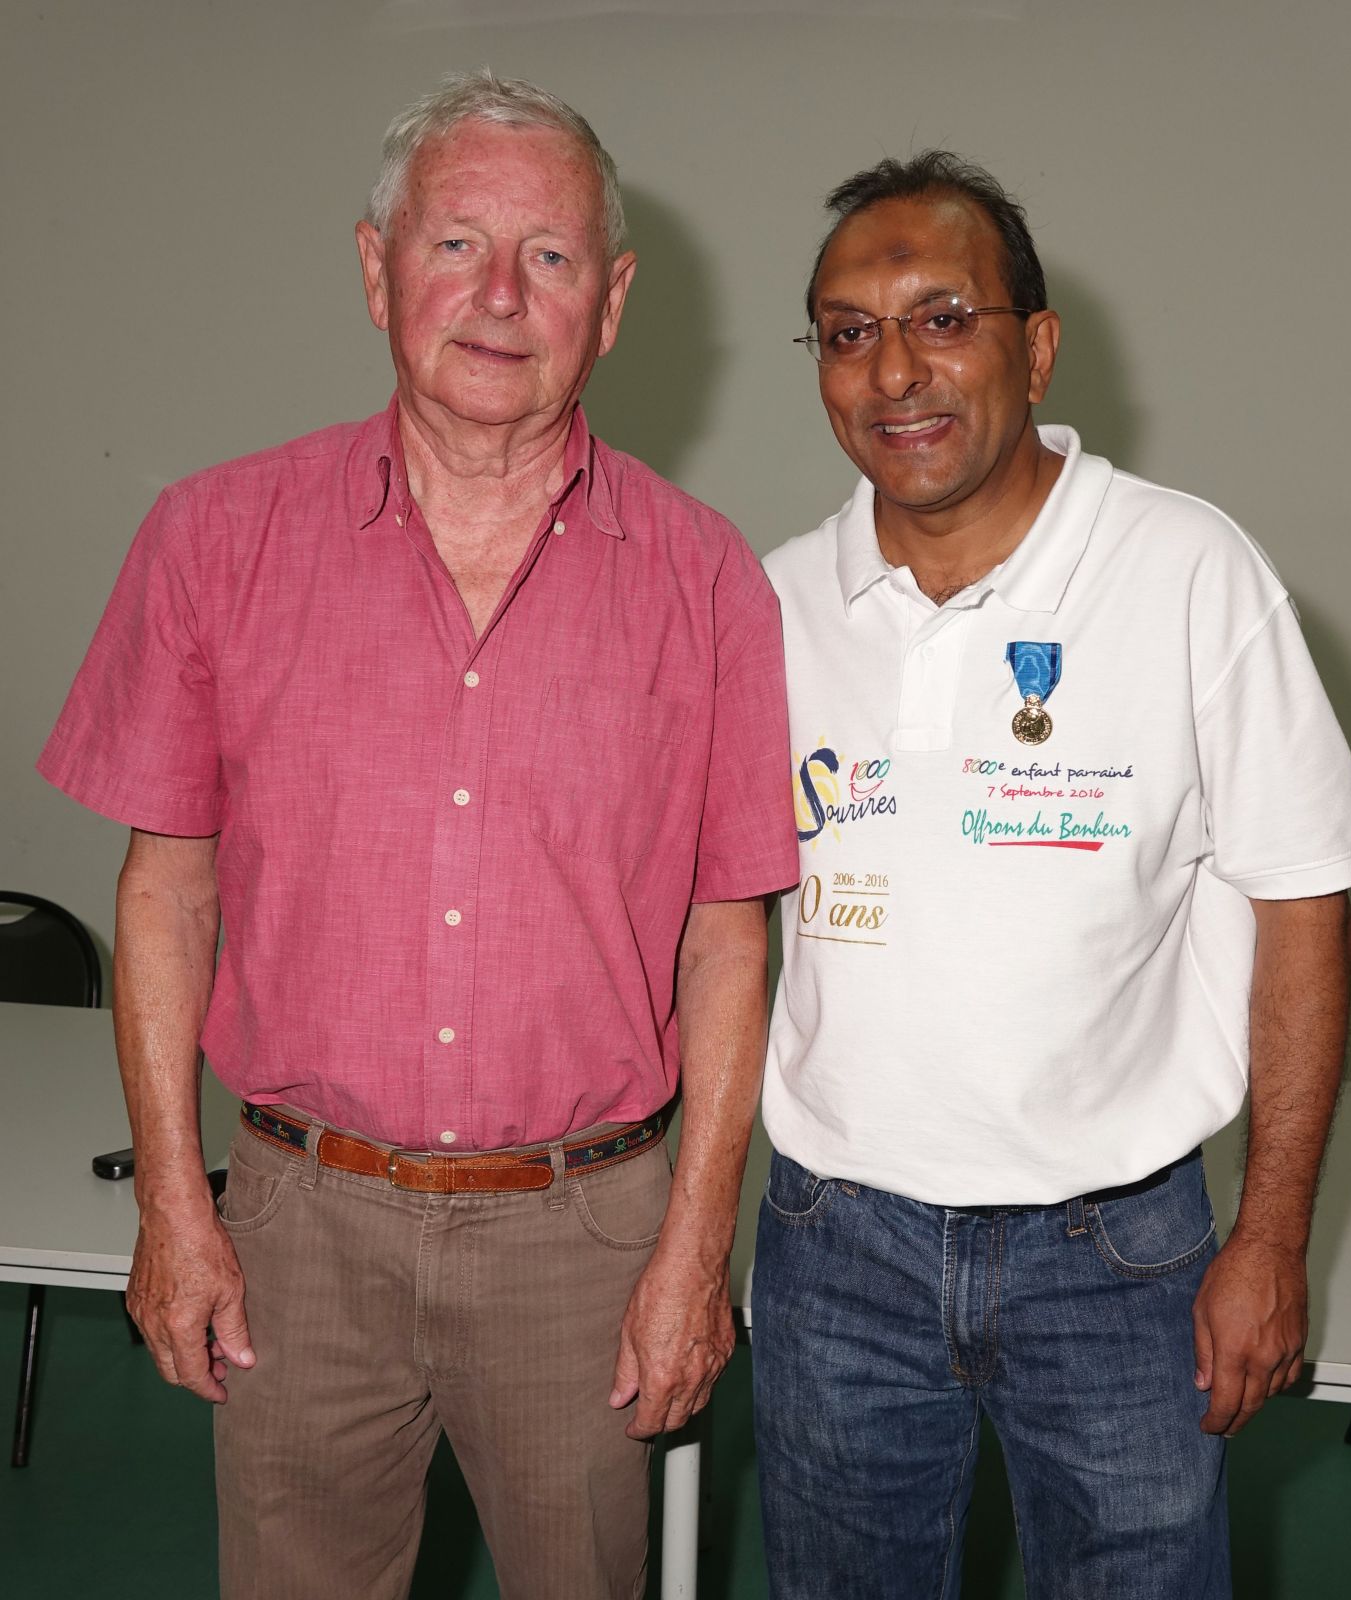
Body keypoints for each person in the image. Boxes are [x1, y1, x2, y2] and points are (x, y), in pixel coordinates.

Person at [39, 70, 797, 1600]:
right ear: (377, 267)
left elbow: (729, 936)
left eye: (553, 256)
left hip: (586, 1236)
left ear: (616, 297)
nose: (502, 295)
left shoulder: (709, 581)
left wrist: (693, 1249)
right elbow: (165, 897)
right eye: (455, 245)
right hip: (298, 1226)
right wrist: (180, 1212)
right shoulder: (211, 541)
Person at [753, 150, 1351, 1599]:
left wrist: (1272, 1238)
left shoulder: (1190, 572)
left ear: (1034, 346)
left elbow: (1304, 908)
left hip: (1120, 1253)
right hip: (836, 1245)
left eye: (942, 317)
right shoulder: (771, 607)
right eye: (848, 331)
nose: (894, 370)